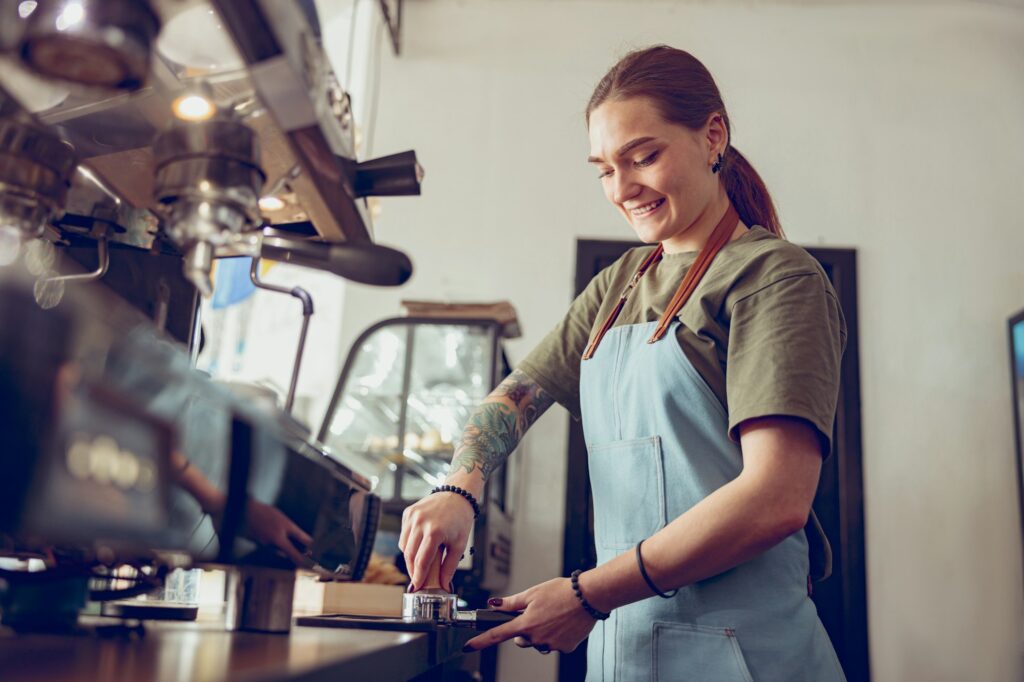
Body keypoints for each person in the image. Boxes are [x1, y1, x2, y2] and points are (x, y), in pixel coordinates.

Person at [399, 45, 847, 681]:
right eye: (604, 169)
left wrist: (587, 595)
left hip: (746, 655)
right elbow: (515, 395)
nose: (622, 188)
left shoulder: (775, 278)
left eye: (643, 157)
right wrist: (458, 490)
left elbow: (774, 500)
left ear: (713, 135)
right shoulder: (619, 285)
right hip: (627, 652)